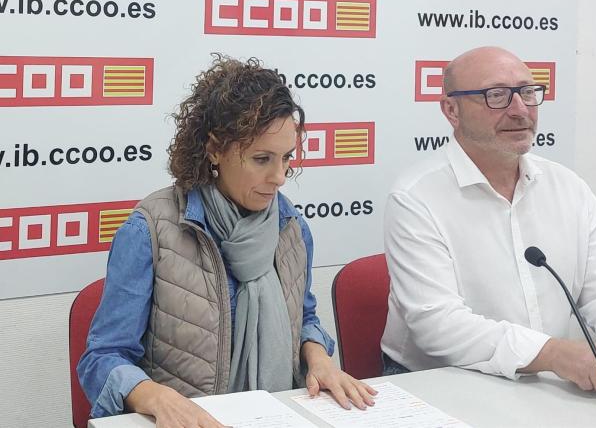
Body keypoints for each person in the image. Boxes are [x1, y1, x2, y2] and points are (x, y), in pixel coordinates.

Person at [380, 46, 596, 400]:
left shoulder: (567, 187)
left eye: (528, 93)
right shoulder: (416, 196)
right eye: (496, 95)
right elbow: (438, 324)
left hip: (542, 380)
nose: (520, 110)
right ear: (452, 110)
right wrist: (554, 354)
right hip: (436, 380)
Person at [78, 56, 376, 426]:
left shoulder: (291, 226)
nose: (280, 176)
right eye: (262, 159)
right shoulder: (150, 230)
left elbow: (303, 318)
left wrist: (318, 358)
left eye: (286, 158)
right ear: (214, 149)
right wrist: (154, 396)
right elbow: (102, 357)